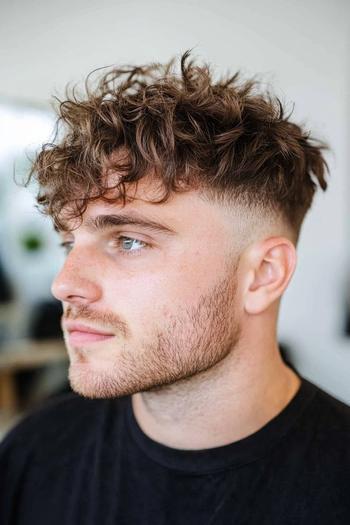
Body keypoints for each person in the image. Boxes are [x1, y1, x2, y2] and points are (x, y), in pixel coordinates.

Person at [1, 51, 349, 524]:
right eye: (68, 245)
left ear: (264, 274)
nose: (65, 285)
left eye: (127, 240)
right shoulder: (31, 455)